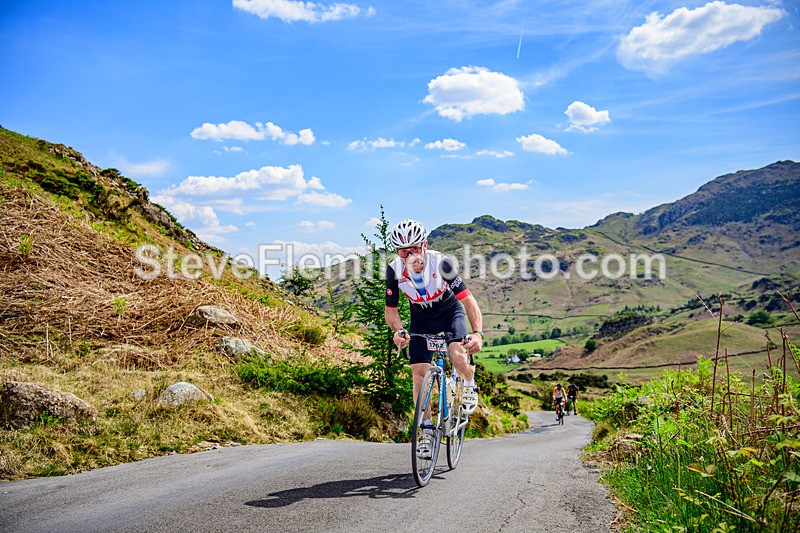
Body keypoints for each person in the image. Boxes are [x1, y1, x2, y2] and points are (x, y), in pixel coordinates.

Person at [384, 219, 484, 457]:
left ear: (425, 246)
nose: (409, 256)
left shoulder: (442, 263)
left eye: (414, 249)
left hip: (449, 311)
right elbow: (391, 309)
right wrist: (398, 330)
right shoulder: (394, 270)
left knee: (458, 356)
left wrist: (478, 333)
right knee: (418, 373)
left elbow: (468, 301)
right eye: (403, 251)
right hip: (421, 317)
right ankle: (427, 431)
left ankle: (469, 381)